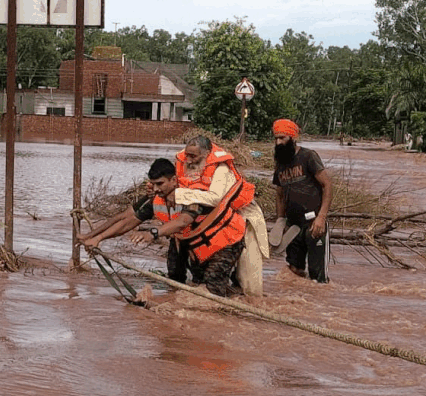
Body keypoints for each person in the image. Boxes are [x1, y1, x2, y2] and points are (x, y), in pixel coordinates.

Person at [82, 158, 248, 297]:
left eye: (160, 184)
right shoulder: (156, 199)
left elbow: (182, 221)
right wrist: (96, 237)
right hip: (194, 243)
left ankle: (239, 298)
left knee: (213, 291)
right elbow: (127, 220)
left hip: (226, 241)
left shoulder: (192, 194)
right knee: (179, 280)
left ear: (174, 180)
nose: (155, 189)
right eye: (153, 184)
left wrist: (153, 233)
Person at [173, 136, 270, 297]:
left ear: (207, 154)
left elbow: (215, 198)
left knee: (250, 284)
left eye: (193, 156)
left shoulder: (221, 169)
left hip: (244, 217)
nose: (189, 160)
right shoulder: (185, 162)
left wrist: (179, 194)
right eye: (187, 155)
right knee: (203, 278)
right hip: (215, 222)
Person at [271, 119, 333, 283]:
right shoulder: (280, 162)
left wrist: (322, 217)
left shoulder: (308, 156)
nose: (278, 142)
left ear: (292, 137)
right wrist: (280, 221)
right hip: (293, 226)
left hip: (314, 223)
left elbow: (327, 185)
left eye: (282, 138)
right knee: (293, 272)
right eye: (276, 138)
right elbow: (279, 194)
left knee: (317, 279)